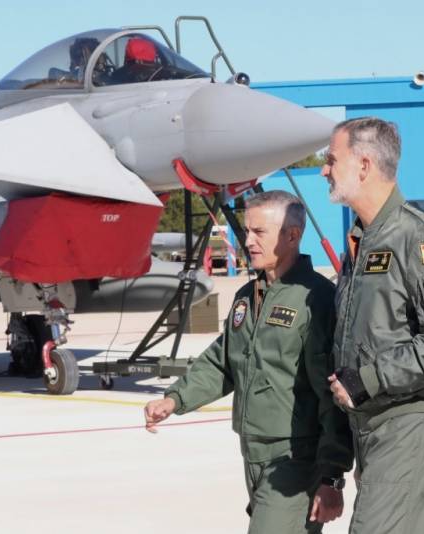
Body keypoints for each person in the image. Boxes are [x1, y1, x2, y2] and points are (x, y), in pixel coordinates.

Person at [144, 191, 353, 533]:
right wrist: (175, 399)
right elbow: (223, 360)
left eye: (259, 232)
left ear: (292, 235)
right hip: (252, 451)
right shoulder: (248, 297)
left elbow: (333, 394)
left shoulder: (316, 300)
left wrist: (332, 474)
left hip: (295, 456)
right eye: (246, 231)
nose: (248, 241)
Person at [321, 117, 424, 533]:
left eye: (331, 160)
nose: (323, 170)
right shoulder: (364, 241)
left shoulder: (420, 240)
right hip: (371, 423)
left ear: (364, 165)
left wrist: (367, 379)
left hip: (410, 420)